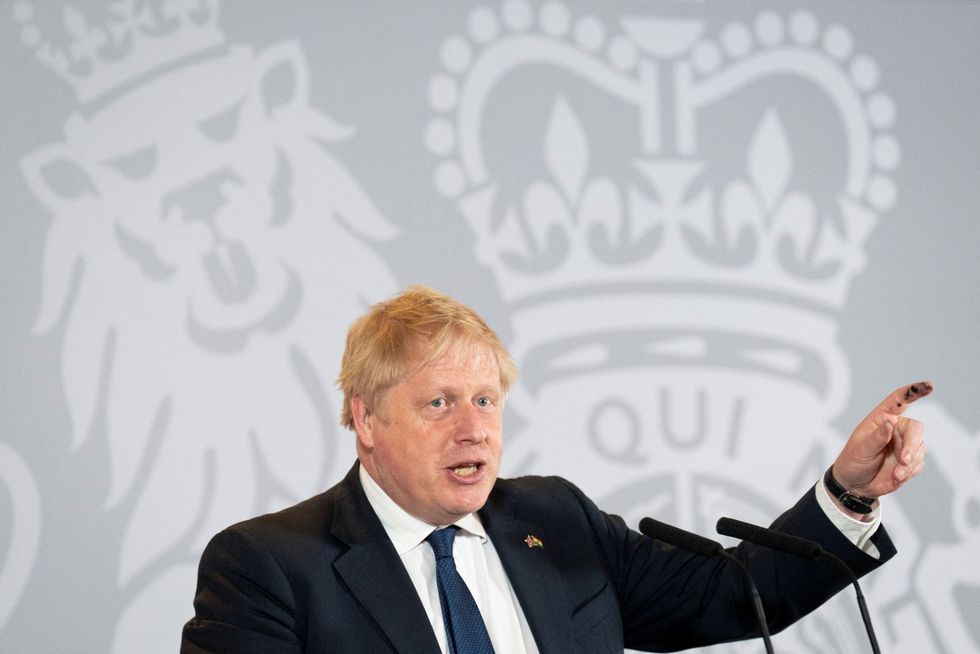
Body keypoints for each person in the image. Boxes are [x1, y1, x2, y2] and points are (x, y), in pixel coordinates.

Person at [180, 285, 930, 653]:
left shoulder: (553, 521)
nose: (474, 427)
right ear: (366, 418)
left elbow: (732, 597)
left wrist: (849, 492)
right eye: (439, 403)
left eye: (486, 399)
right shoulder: (270, 566)